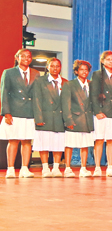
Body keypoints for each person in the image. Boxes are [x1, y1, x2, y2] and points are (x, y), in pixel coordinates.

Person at [1, 49, 38, 178]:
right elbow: (4, 93)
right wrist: (6, 112)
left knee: (27, 141)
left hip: (30, 112)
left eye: (29, 56)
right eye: (23, 56)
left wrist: (38, 114)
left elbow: (37, 96)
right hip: (15, 112)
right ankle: (10, 168)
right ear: (17, 58)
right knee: (13, 140)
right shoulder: (9, 73)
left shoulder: (36, 73)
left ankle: (24, 168)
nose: (26, 58)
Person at [32, 58, 68, 178]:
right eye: (52, 66)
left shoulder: (65, 83)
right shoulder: (40, 81)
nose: (55, 68)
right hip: (45, 116)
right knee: (44, 143)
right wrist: (38, 117)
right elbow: (36, 100)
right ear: (47, 67)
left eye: (57, 66)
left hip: (60, 117)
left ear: (60, 68)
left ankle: (56, 167)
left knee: (58, 144)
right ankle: (45, 167)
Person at [90, 50, 112, 177]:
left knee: (111, 140)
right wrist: (97, 111)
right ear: (102, 61)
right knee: (99, 139)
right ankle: (97, 167)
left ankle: (110, 166)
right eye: (108, 59)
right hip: (102, 112)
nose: (111, 62)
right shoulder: (97, 75)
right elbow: (94, 94)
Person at [62, 60, 95, 177]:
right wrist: (68, 120)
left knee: (85, 145)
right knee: (69, 144)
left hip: (87, 119)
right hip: (74, 119)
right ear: (76, 71)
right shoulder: (69, 85)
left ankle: (83, 168)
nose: (84, 72)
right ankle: (67, 168)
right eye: (81, 69)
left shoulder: (91, 84)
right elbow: (66, 104)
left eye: (86, 70)